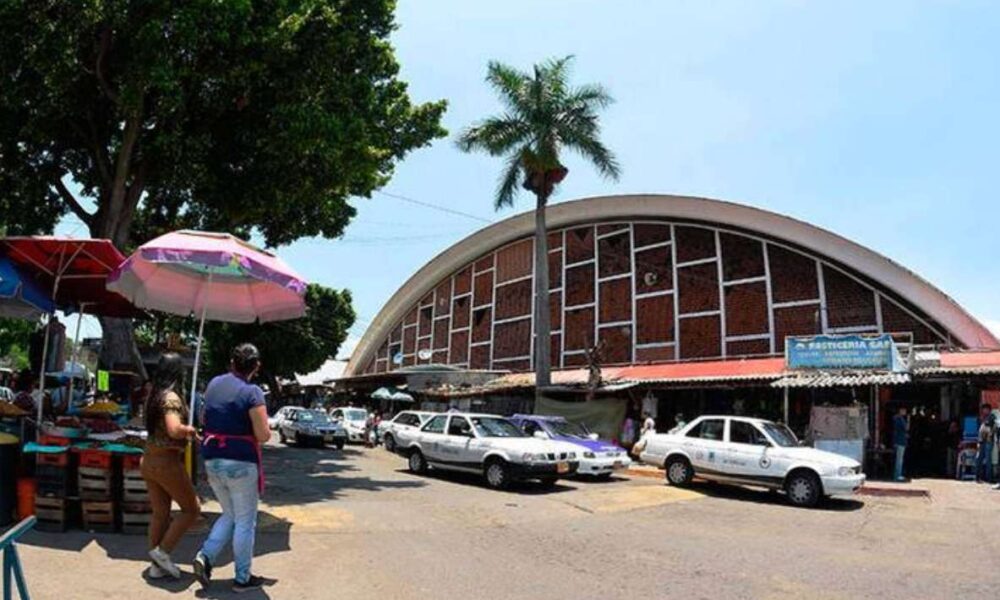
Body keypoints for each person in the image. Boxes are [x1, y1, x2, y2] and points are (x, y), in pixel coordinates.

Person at [194, 343, 270, 593]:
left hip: (212, 459)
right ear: (256, 366)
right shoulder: (253, 392)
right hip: (240, 463)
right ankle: (242, 578)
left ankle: (205, 556)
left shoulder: (214, 384)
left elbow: (204, 418)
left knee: (230, 514)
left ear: (231, 362)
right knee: (246, 521)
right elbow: (263, 434)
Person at [141, 353, 200, 580]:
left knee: (161, 514)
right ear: (178, 373)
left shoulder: (154, 396)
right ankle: (163, 552)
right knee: (191, 510)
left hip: (149, 460)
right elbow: (174, 429)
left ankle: (156, 567)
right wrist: (190, 431)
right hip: (166, 462)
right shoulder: (172, 398)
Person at [976, 404, 996, 484]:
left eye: (986, 409)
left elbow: (989, 424)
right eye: (984, 409)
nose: (984, 411)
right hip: (981, 440)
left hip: (988, 440)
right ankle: (978, 477)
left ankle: (989, 478)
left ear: (989, 410)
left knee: (988, 460)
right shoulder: (981, 417)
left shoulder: (992, 417)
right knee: (979, 459)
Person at [892, 407, 909, 482]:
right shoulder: (900, 419)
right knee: (899, 459)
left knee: (899, 459)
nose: (905, 411)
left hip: (899, 440)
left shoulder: (897, 419)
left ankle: (898, 474)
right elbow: (906, 428)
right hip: (900, 441)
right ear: (900, 411)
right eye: (903, 410)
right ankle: (897, 475)